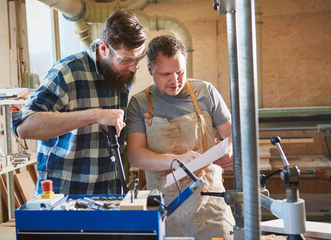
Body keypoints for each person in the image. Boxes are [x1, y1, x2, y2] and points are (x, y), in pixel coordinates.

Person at [12, 10, 147, 196]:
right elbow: (24, 127)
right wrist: (94, 115)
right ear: (103, 48)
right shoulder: (67, 72)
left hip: (107, 194)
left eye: (138, 59)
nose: (133, 67)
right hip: (66, 197)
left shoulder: (119, 75)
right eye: (126, 60)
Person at [126, 35, 235, 240]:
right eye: (166, 74)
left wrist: (229, 151)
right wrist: (176, 161)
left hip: (210, 204)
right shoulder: (139, 103)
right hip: (165, 208)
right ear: (150, 70)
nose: (175, 80)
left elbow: (232, 136)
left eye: (180, 72)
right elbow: (135, 155)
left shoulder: (205, 92)